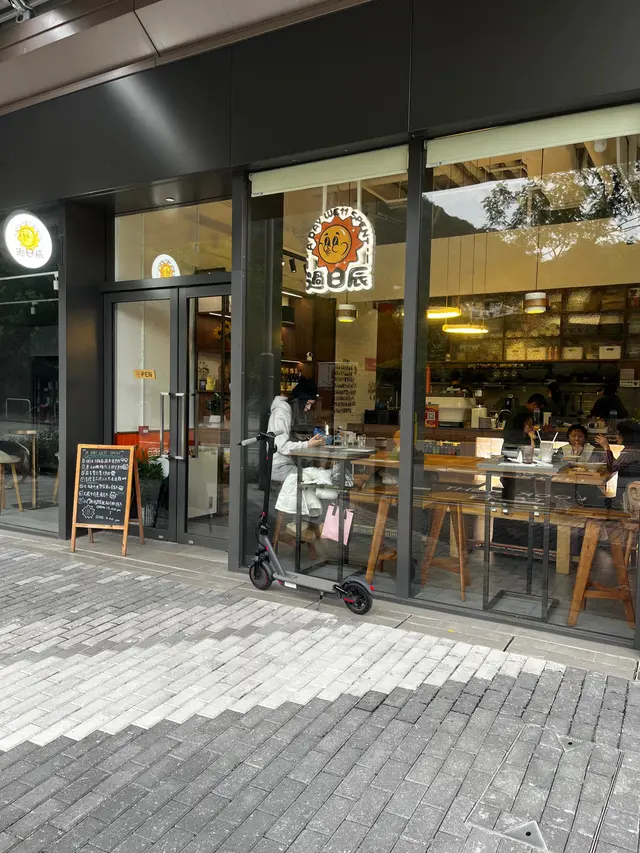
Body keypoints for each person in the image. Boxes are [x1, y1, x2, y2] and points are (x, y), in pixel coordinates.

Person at [268, 386, 324, 482]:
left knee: (317, 474)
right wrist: (307, 444)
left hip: (287, 464)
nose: (309, 408)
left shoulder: (288, 411)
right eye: (308, 403)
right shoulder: (281, 413)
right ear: (298, 401)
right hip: (279, 467)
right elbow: (281, 446)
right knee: (317, 476)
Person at [594, 419, 640, 509]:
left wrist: (606, 447)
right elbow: (616, 464)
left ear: (626, 436)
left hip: (629, 488)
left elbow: (611, 467)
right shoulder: (632, 448)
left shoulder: (630, 450)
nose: (616, 437)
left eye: (618, 434)